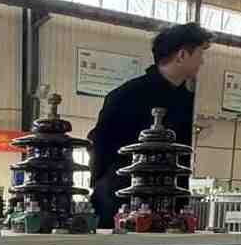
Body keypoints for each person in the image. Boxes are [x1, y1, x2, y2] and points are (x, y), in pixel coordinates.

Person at [88, 23, 211, 227]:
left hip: (170, 206)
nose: (202, 61)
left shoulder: (188, 104)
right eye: (200, 54)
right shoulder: (126, 96)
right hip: (119, 203)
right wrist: (103, 189)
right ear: (182, 55)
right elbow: (99, 144)